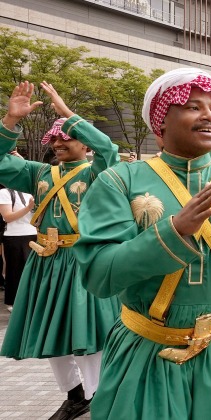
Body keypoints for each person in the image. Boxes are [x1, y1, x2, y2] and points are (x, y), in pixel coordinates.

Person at [72, 68, 211, 419]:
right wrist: (174, 232)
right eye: (192, 107)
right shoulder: (119, 181)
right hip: (148, 351)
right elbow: (99, 275)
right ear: (160, 127)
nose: (209, 116)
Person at [0, 81, 121, 420]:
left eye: (66, 137)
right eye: (54, 138)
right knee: (52, 334)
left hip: (84, 261)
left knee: (88, 335)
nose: (58, 142)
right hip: (46, 263)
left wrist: (68, 114)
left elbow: (109, 149)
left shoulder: (100, 172)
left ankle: (101, 398)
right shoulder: (38, 173)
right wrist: (10, 121)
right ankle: (75, 396)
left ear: (85, 144)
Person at [0, 183, 36, 312]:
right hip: (16, 236)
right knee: (16, 271)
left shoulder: (32, 192)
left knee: (34, 270)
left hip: (35, 234)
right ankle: (14, 301)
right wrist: (29, 207)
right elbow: (8, 217)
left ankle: (32, 300)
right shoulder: (5, 193)